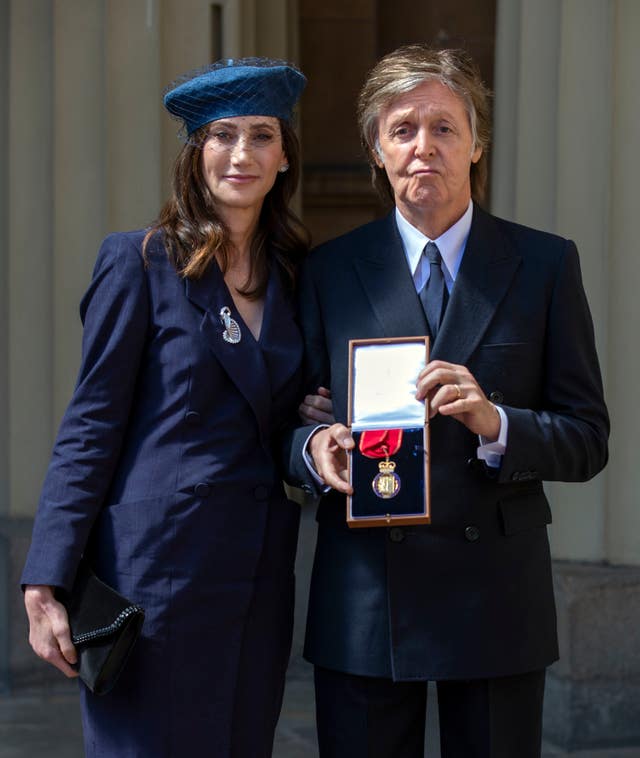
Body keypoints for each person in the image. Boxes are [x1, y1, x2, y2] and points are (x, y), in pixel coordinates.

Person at [288, 45, 609, 758]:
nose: (423, 146)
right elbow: (286, 424)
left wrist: (496, 422)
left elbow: (588, 438)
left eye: (443, 127)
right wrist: (313, 450)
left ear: (477, 142)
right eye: (402, 129)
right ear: (377, 148)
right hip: (367, 597)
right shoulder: (329, 272)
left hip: (494, 598)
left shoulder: (546, 265)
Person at [21, 57, 330, 758]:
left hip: (255, 575)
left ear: (285, 155)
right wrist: (46, 578)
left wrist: (316, 415)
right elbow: (90, 424)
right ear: (197, 153)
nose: (242, 153)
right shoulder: (139, 262)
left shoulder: (297, 273)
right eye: (222, 135)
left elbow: (282, 412)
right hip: (153, 577)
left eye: (261, 135)